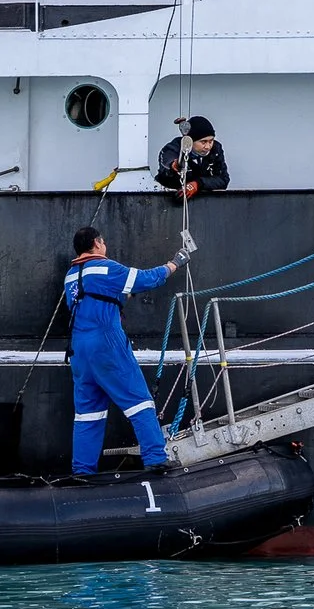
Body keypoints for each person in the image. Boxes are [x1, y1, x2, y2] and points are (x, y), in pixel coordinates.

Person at [64, 225, 188, 474]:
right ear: (97, 243)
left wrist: (120, 296)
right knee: (139, 401)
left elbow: (91, 301)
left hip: (79, 349)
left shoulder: (71, 275)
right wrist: (174, 263)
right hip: (106, 344)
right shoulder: (106, 268)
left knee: (88, 413)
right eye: (103, 242)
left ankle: (83, 472)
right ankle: (155, 458)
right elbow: (146, 279)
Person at [154, 116, 230, 198]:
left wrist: (198, 183)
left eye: (211, 141)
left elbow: (223, 179)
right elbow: (167, 165)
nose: (208, 147)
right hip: (168, 198)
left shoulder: (216, 149)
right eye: (203, 142)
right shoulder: (172, 148)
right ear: (190, 141)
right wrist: (174, 166)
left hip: (202, 199)